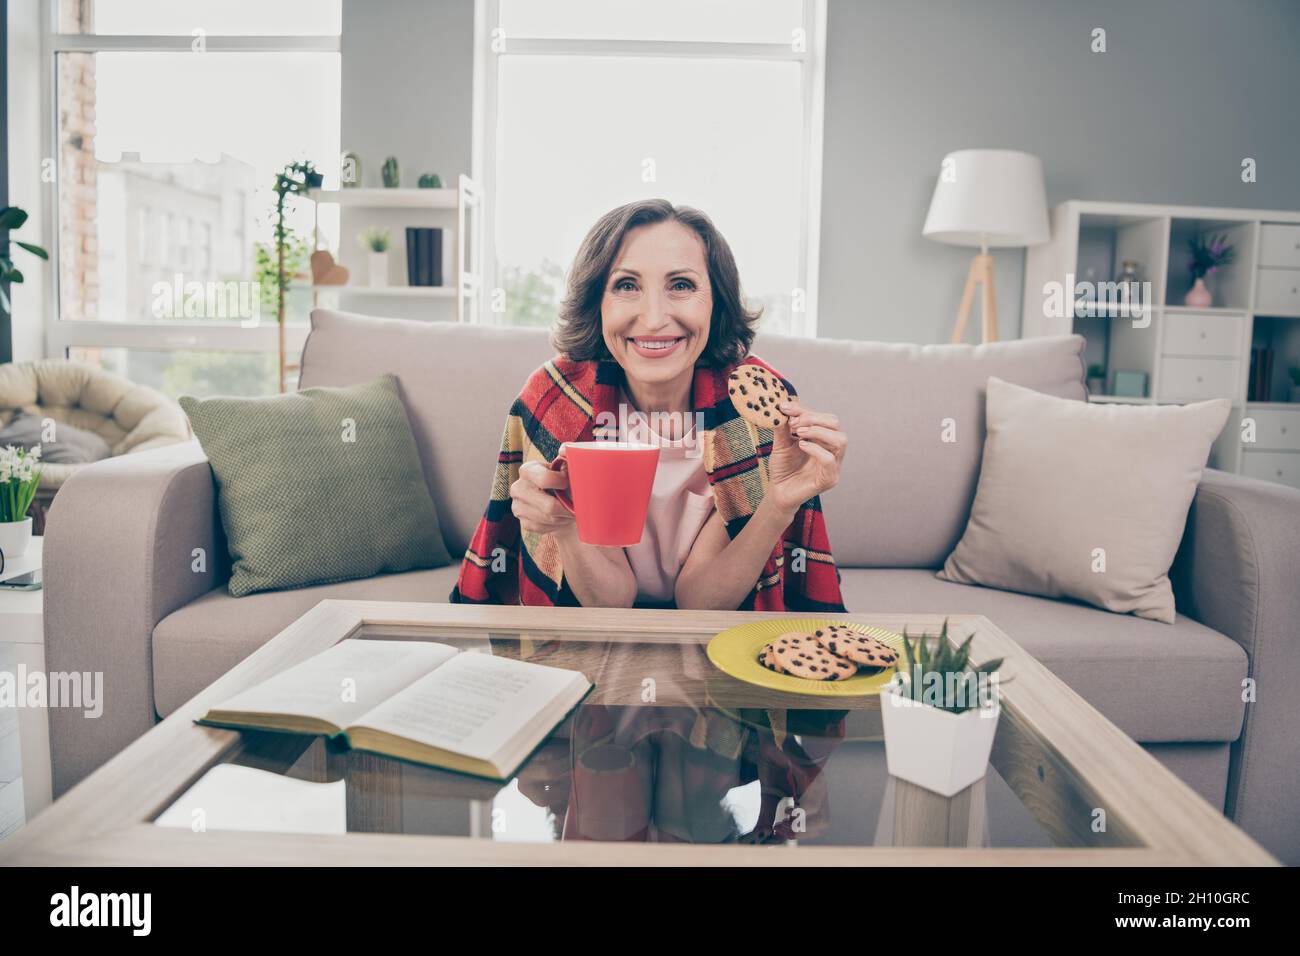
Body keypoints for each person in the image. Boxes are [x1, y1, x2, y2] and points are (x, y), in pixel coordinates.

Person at [451, 198, 847, 611]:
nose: (654, 318)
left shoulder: (755, 418)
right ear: (597, 302)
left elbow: (699, 603)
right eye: (626, 285)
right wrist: (564, 526)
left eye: (681, 285)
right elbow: (613, 601)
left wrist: (779, 504)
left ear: (716, 302)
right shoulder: (555, 401)